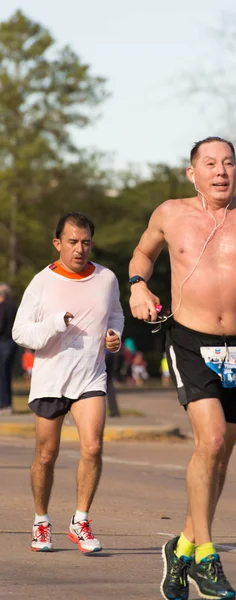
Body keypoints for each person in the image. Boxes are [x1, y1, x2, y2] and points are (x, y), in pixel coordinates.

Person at [128, 136, 236, 600]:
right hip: (189, 340)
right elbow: (142, 254)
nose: (220, 171)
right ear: (193, 173)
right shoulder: (170, 212)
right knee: (213, 441)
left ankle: (181, 545)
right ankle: (206, 554)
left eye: (228, 163)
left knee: (219, 457)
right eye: (210, 163)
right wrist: (138, 286)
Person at [12, 212, 124, 553]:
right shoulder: (42, 282)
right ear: (57, 243)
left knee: (92, 446)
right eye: (73, 242)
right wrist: (55, 324)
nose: (80, 249)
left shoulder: (106, 279)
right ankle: (41, 522)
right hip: (50, 379)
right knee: (46, 454)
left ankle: (80, 521)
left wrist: (115, 335)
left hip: (90, 376)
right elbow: (20, 332)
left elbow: (116, 313)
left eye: (86, 242)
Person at [0, 283, 18, 415]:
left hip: (3, 342)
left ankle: (4, 404)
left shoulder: (3, 307)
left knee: (2, 374)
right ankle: (8, 404)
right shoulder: (14, 306)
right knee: (6, 373)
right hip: (13, 342)